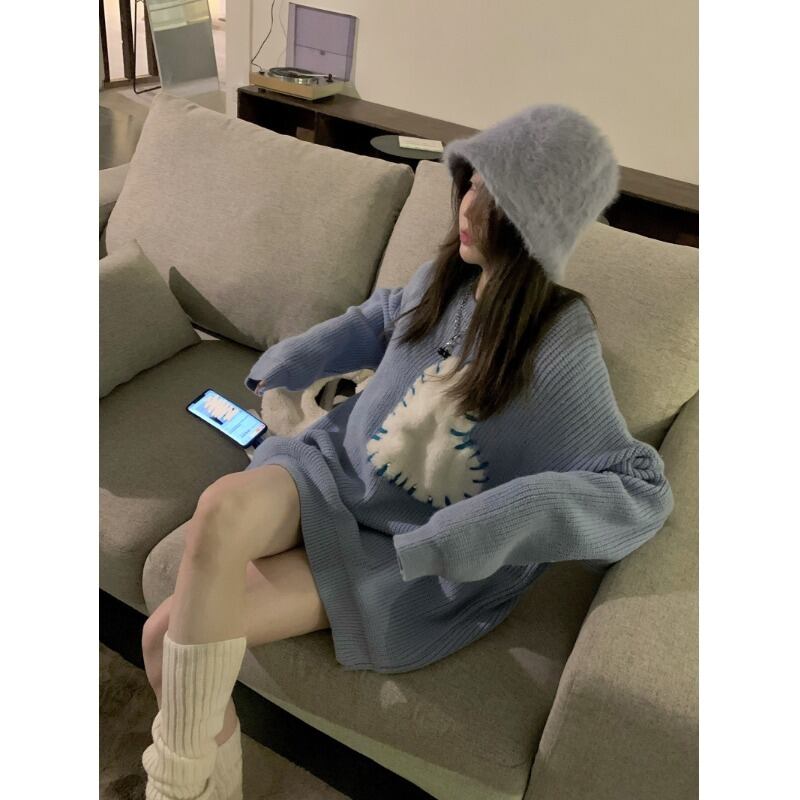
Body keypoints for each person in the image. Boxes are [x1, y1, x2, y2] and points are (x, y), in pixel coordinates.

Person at [140, 103, 675, 799]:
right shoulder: (444, 279)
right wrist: (293, 358)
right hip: (333, 472)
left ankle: (178, 788)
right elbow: (382, 317)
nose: (467, 206)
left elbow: (637, 487)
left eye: (492, 196)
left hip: (399, 554)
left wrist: (492, 523)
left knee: (163, 640)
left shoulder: (559, 344)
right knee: (218, 508)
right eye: (470, 181)